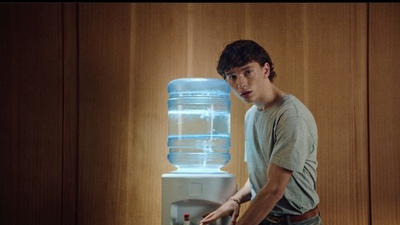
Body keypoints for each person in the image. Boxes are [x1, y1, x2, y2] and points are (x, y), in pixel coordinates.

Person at [199, 40, 322, 225]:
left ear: (265, 70)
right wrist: (235, 199)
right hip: (265, 218)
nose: (240, 83)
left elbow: (274, 189)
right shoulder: (251, 116)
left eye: (247, 72)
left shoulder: (291, 116)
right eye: (231, 76)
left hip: (296, 222)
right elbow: (262, 178)